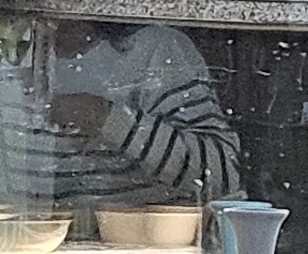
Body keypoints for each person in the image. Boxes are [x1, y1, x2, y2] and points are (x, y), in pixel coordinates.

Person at [14, 16, 242, 206]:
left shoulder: (155, 51)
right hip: (40, 241)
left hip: (153, 241)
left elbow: (222, 176)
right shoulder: (11, 57)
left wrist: (109, 119)